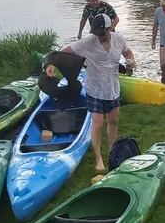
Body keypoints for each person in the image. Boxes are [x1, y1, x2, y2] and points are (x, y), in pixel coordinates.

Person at [47, 14, 135, 172]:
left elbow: (128, 53)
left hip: (113, 88)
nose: (99, 36)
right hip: (94, 89)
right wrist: (51, 63)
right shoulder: (88, 42)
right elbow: (64, 52)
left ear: (110, 29)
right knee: (98, 123)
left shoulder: (119, 39)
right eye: (97, 33)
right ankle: (98, 158)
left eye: (102, 33)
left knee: (113, 122)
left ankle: (112, 153)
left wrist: (131, 61)